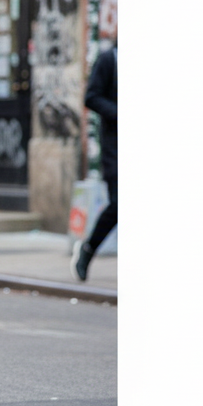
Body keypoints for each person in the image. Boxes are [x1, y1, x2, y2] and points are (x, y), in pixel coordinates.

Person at [73, 43, 117, 281]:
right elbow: (91, 97)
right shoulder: (110, 59)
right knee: (119, 204)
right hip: (116, 149)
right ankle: (88, 249)